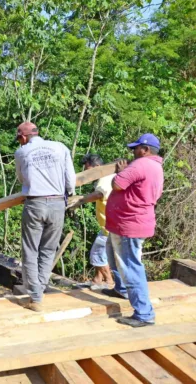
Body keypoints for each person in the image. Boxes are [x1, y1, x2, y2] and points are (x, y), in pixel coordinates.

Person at [103, 133, 164, 327]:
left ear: (145, 150)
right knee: (115, 257)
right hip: (132, 222)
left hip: (130, 225)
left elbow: (117, 184)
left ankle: (144, 314)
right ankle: (121, 289)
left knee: (131, 267)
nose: (133, 151)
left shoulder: (141, 164)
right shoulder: (156, 167)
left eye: (136, 148)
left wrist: (122, 171)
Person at [14, 122, 76, 312]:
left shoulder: (22, 153)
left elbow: (21, 178)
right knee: (48, 250)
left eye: (19, 140)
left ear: (23, 137)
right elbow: (70, 178)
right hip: (58, 204)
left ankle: (36, 297)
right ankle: (40, 289)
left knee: (31, 250)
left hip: (35, 203)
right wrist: (70, 192)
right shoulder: (60, 147)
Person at [80, 153, 116, 290]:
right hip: (107, 225)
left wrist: (81, 200)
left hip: (109, 227)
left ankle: (109, 281)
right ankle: (97, 280)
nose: (86, 173)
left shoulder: (105, 179)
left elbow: (99, 194)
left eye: (88, 170)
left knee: (96, 254)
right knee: (100, 251)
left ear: (98, 167)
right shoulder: (108, 178)